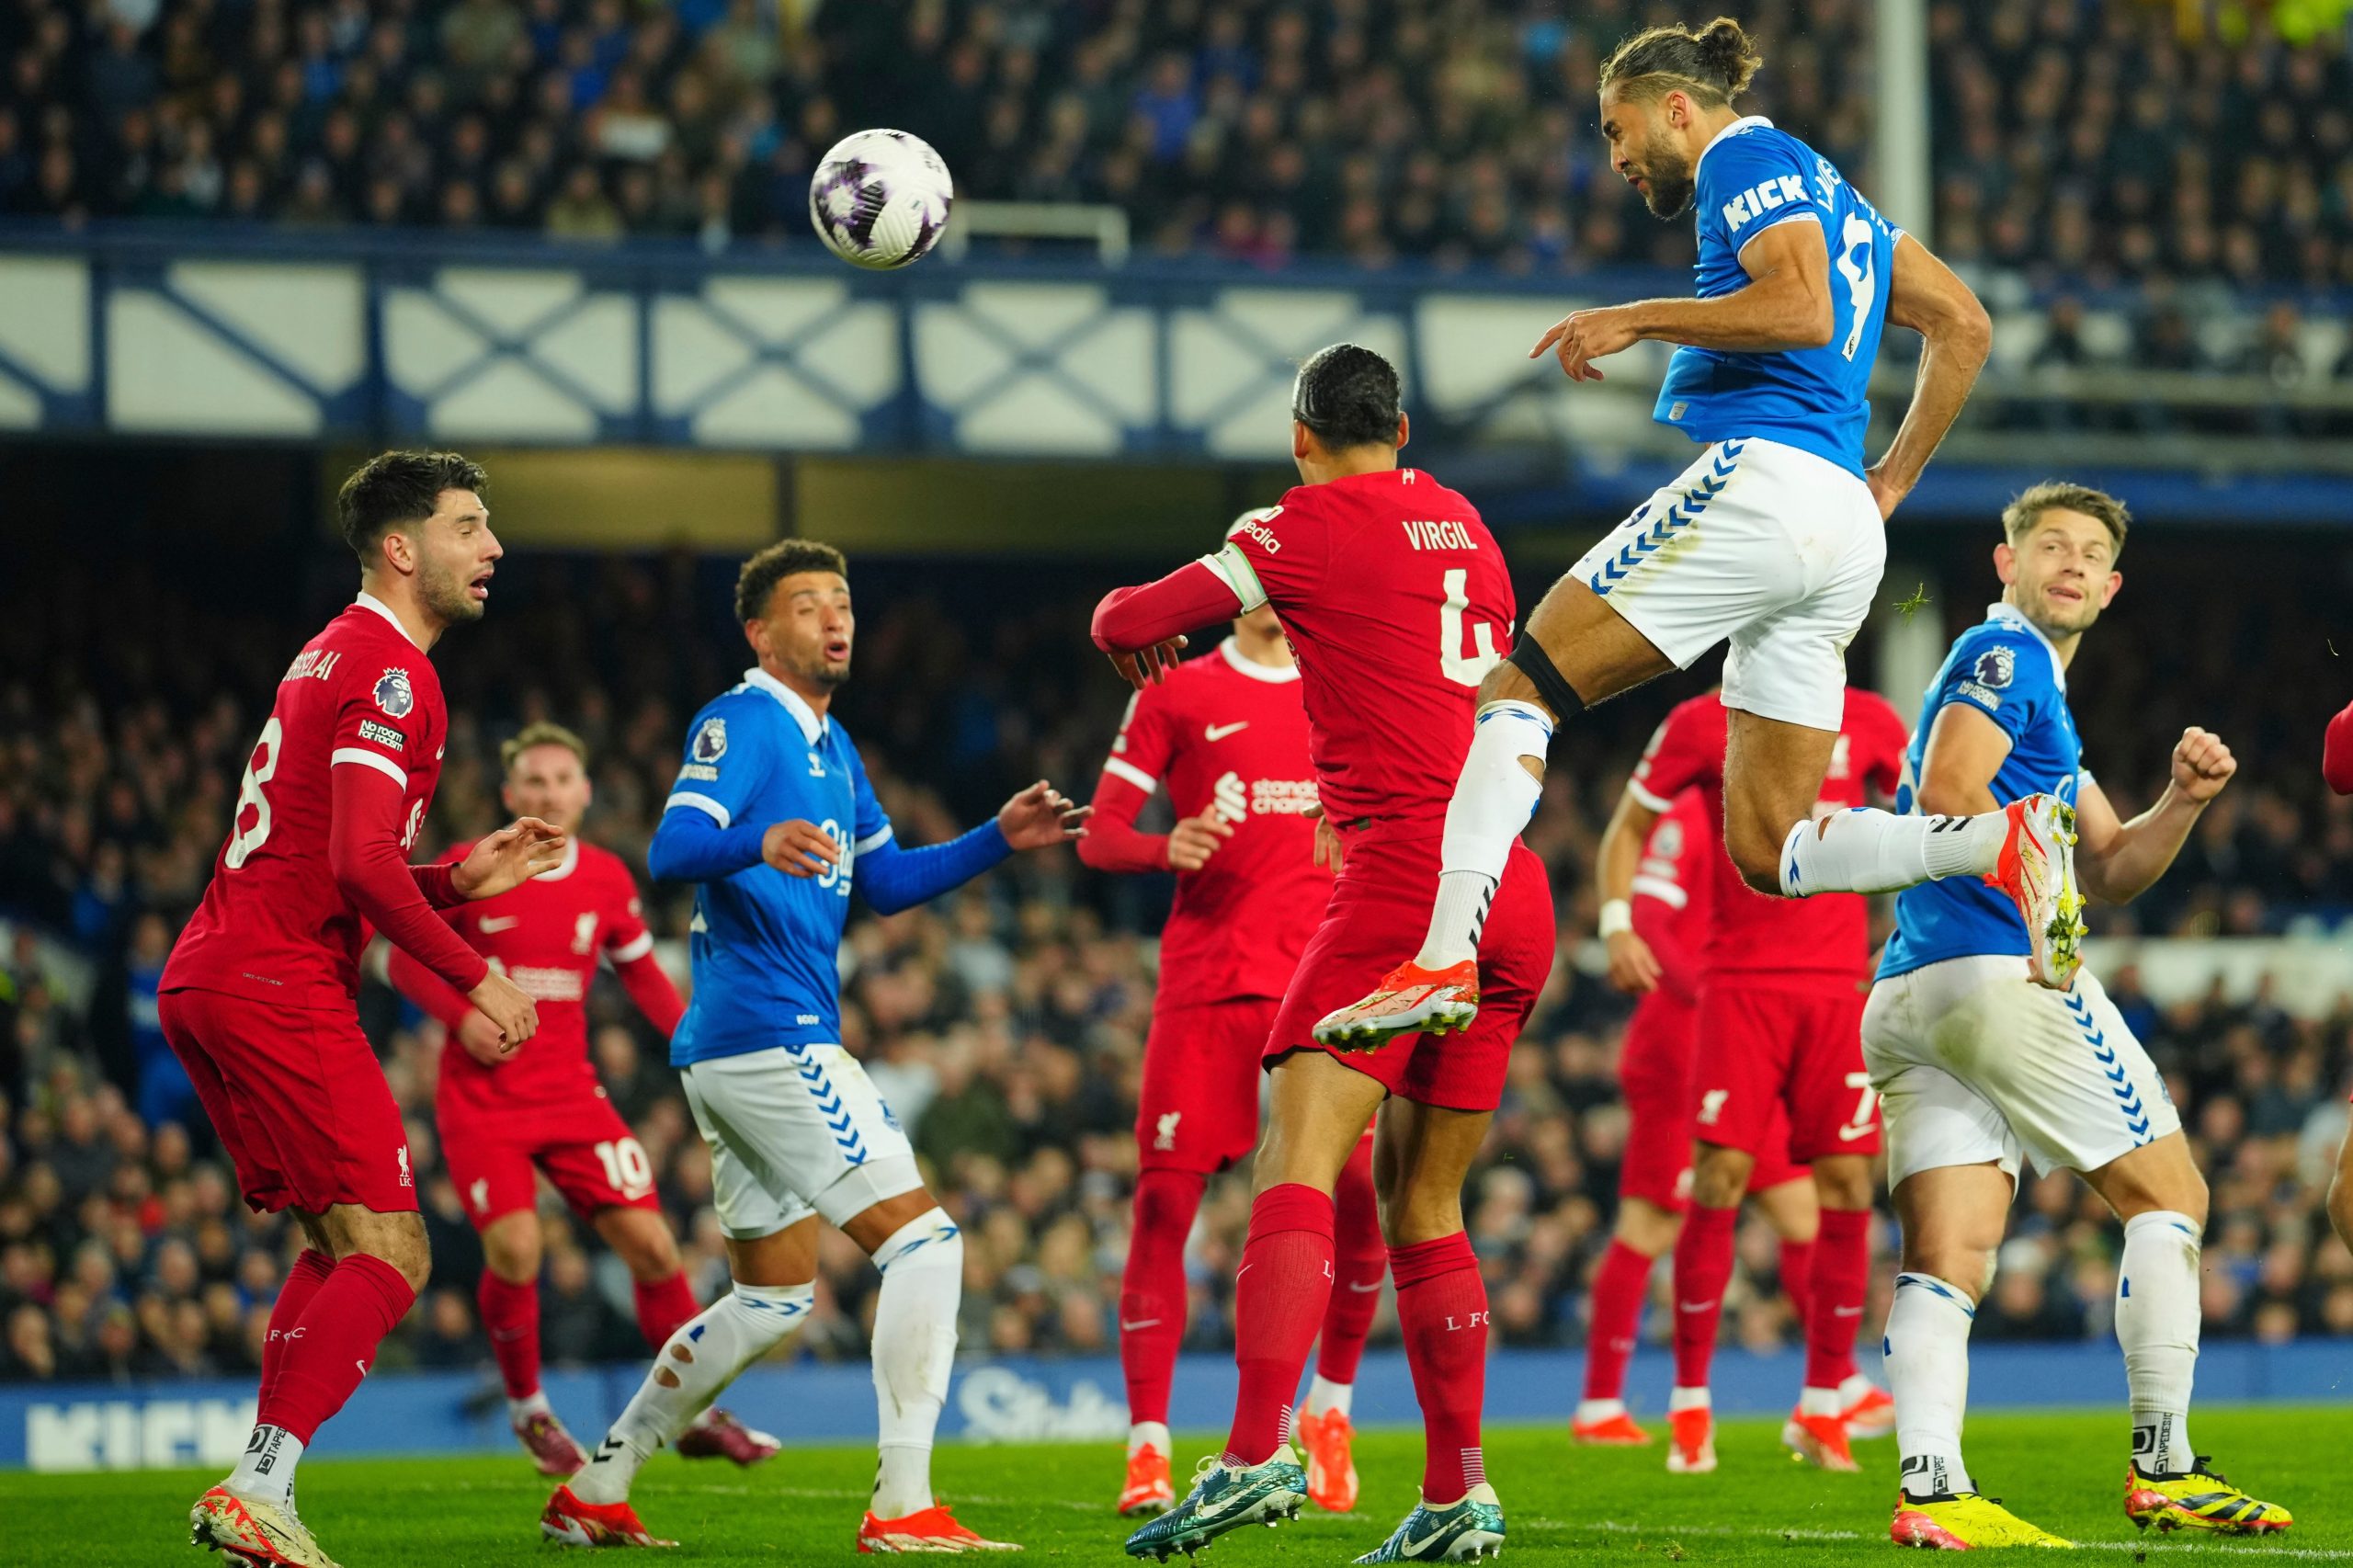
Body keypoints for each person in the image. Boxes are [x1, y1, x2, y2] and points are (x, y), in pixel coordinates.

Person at [1314, 17, 2078, 1054]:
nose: (1616, 155)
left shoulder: (1743, 155)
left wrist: (1639, 315)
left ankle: (1442, 952)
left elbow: (1803, 307)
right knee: (1768, 849)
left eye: (1618, 128)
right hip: (1843, 527)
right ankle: (2002, 837)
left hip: (1763, 482)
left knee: (1519, 685)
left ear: (1677, 106)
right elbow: (1966, 326)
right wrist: (1889, 479)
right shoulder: (1839, 196)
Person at [1095, 343, 1552, 1564]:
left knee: (1296, 1161)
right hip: (1512, 884)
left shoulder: (1299, 523)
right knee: (1425, 1199)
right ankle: (1459, 1494)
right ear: (1400, 424)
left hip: (1404, 872)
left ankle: (1252, 1455)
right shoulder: (1466, 523)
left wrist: (1147, 639)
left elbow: (1125, 619)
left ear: (1302, 435)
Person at [540, 539, 1086, 1554]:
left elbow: (883, 884)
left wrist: (993, 839)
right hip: (769, 1036)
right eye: (806, 605)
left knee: (771, 1296)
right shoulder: (741, 721)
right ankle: (903, 1504)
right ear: (760, 630)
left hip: (744, 1045)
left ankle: (596, 1484)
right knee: (926, 1242)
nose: (834, 618)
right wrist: (756, 838)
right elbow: (669, 848)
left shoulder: (835, 748)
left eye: (842, 601)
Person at [1866, 483, 2290, 1546]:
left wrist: (2181, 800)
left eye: (2088, 552)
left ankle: (1930, 1487)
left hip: (1912, 988)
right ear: (2004, 563)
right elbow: (1950, 796)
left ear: (2107, 588)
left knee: (1948, 1254)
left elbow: (2107, 866)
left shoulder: (2039, 695)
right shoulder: (2000, 658)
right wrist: (2033, 885)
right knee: (2170, 1193)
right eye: (2046, 543)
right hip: (1997, 974)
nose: (2067, 560)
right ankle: (2166, 1462)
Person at [164, 451, 566, 1568]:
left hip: (221, 969)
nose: (494, 548)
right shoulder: (393, 669)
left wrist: (454, 878)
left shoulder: (331, 654)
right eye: (470, 526)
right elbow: (353, 864)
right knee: (396, 1250)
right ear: (402, 547)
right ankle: (259, 1485)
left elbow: (335, 859)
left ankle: (260, 1490)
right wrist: (471, 968)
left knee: (342, 1240)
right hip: (273, 979)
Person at [388, 722, 776, 1475]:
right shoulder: (473, 866)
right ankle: (530, 1409)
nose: (548, 794)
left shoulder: (604, 878)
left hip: (571, 1095)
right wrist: (461, 1015)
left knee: (656, 1247)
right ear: (509, 795)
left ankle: (691, 1411)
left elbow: (641, 977)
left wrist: (698, 1050)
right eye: (533, 782)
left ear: (585, 792)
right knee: (518, 1248)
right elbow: (400, 959)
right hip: (485, 1100)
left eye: (561, 780)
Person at [1076, 569, 1381, 1517]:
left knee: (1362, 1198)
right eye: (1249, 575)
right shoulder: (1177, 691)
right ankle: (1148, 1446)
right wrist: (1162, 846)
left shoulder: (1348, 686)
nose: (1266, 591)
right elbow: (1099, 833)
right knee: (1166, 1202)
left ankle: (1329, 1410)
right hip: (1210, 982)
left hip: (1325, 985)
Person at [1607, 683, 1907, 1472]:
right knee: (1718, 1181)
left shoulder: (1872, 719)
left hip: (1837, 987)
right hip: (1739, 988)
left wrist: (1910, 929)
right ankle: (1689, 1405)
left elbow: (1923, 815)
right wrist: (1612, 921)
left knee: (1845, 1186)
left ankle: (1820, 1406)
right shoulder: (1703, 721)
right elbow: (1629, 826)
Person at [1575, 781, 1859, 1459]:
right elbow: (1650, 917)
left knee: (1801, 1214)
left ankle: (1837, 1380)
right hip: (1687, 1050)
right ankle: (1600, 1401)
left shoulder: (1777, 807)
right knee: (1652, 1220)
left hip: (1743, 1044)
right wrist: (1718, 997)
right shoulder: (1698, 809)